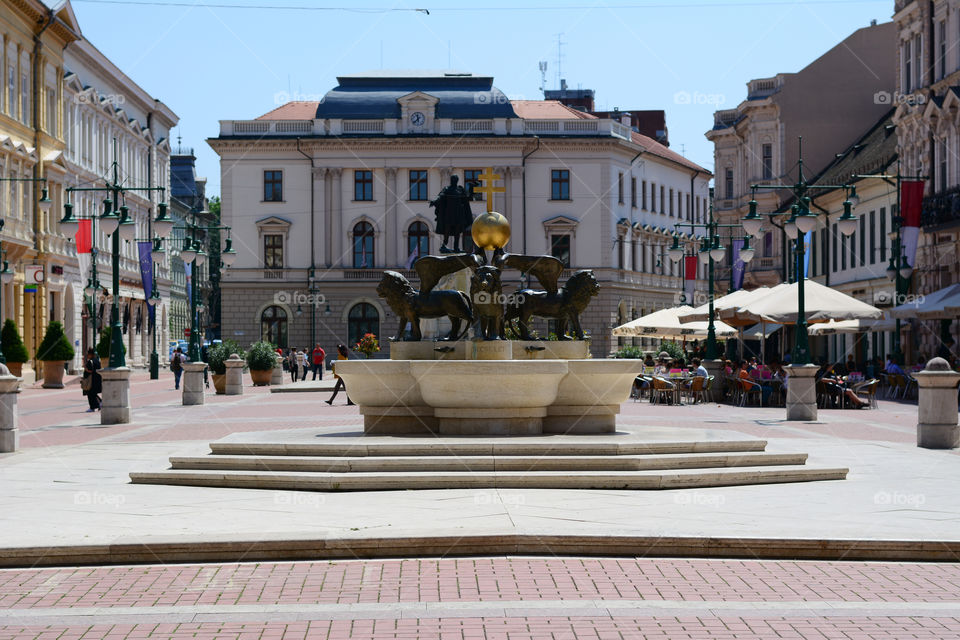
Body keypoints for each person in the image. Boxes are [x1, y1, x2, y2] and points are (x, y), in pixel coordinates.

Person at [82, 347, 102, 412]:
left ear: (91, 354)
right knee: (93, 394)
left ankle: (93, 407)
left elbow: (90, 371)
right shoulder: (97, 361)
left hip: (91, 381)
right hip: (96, 380)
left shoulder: (90, 362)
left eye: (88, 354)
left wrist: (85, 368)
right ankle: (100, 403)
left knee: (90, 394)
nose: (87, 355)